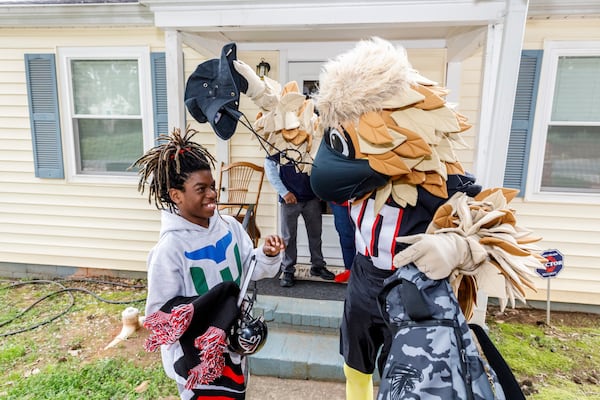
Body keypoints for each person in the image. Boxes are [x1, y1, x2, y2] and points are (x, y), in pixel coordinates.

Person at [133, 127, 284, 400]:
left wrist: (269, 255)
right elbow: (160, 317)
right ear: (176, 195)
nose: (212, 194)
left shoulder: (229, 227)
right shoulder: (169, 249)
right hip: (196, 361)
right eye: (200, 189)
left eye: (212, 186)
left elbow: (251, 270)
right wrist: (207, 317)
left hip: (234, 349)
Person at [264, 154, 335, 287]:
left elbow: (322, 164)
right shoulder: (281, 140)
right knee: (288, 237)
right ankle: (288, 270)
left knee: (315, 234)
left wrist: (319, 189)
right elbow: (269, 166)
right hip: (289, 198)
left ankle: (318, 266)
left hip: (311, 197)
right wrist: (283, 192)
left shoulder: (312, 138)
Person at [329, 201, 356, 283]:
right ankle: (349, 269)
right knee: (345, 237)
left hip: (363, 199)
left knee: (365, 235)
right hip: (340, 201)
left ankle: (364, 272)